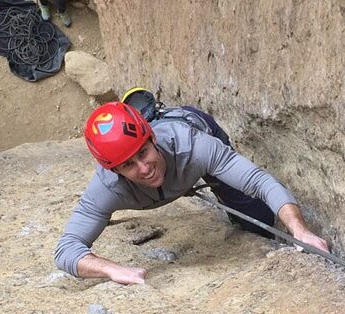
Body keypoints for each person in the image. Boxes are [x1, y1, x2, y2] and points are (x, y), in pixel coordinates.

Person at [54, 100, 330, 285]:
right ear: (114, 171)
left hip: (193, 126)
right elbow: (66, 250)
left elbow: (260, 181)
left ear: (151, 138)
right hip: (177, 166)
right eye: (129, 165)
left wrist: (299, 230)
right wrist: (110, 269)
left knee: (256, 219)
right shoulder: (107, 187)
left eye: (144, 152)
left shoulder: (195, 147)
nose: (145, 168)